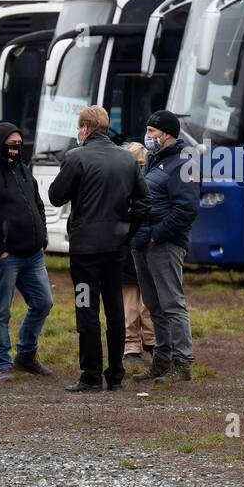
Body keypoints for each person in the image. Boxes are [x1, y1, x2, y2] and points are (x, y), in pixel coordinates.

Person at [47, 106, 151, 392]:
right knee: (115, 309)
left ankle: (90, 374)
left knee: (86, 308)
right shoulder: (127, 160)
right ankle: (115, 374)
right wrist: (128, 232)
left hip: (84, 251)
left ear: (84, 128)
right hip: (116, 248)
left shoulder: (76, 157)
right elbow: (144, 202)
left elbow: (56, 196)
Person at [0, 122, 54, 382]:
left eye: (19, 144)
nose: (16, 149)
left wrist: (42, 235)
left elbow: (38, 205)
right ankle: (3, 363)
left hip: (33, 253)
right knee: (1, 311)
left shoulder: (24, 170)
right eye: (11, 144)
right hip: (4, 258)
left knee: (43, 302)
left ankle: (26, 355)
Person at [132, 110, 200, 384]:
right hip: (143, 242)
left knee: (172, 305)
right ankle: (162, 360)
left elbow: (187, 208)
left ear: (167, 134)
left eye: (151, 132)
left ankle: (182, 364)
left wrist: (157, 235)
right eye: (147, 131)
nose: (147, 137)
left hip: (165, 244)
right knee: (154, 305)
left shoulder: (184, 163)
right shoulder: (152, 159)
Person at [119, 141, 155, 368]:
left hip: (145, 246)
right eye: (136, 164)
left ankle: (151, 340)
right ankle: (131, 344)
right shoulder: (120, 186)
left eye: (142, 164)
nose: (139, 169)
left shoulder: (150, 183)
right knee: (130, 303)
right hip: (126, 248)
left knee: (148, 301)